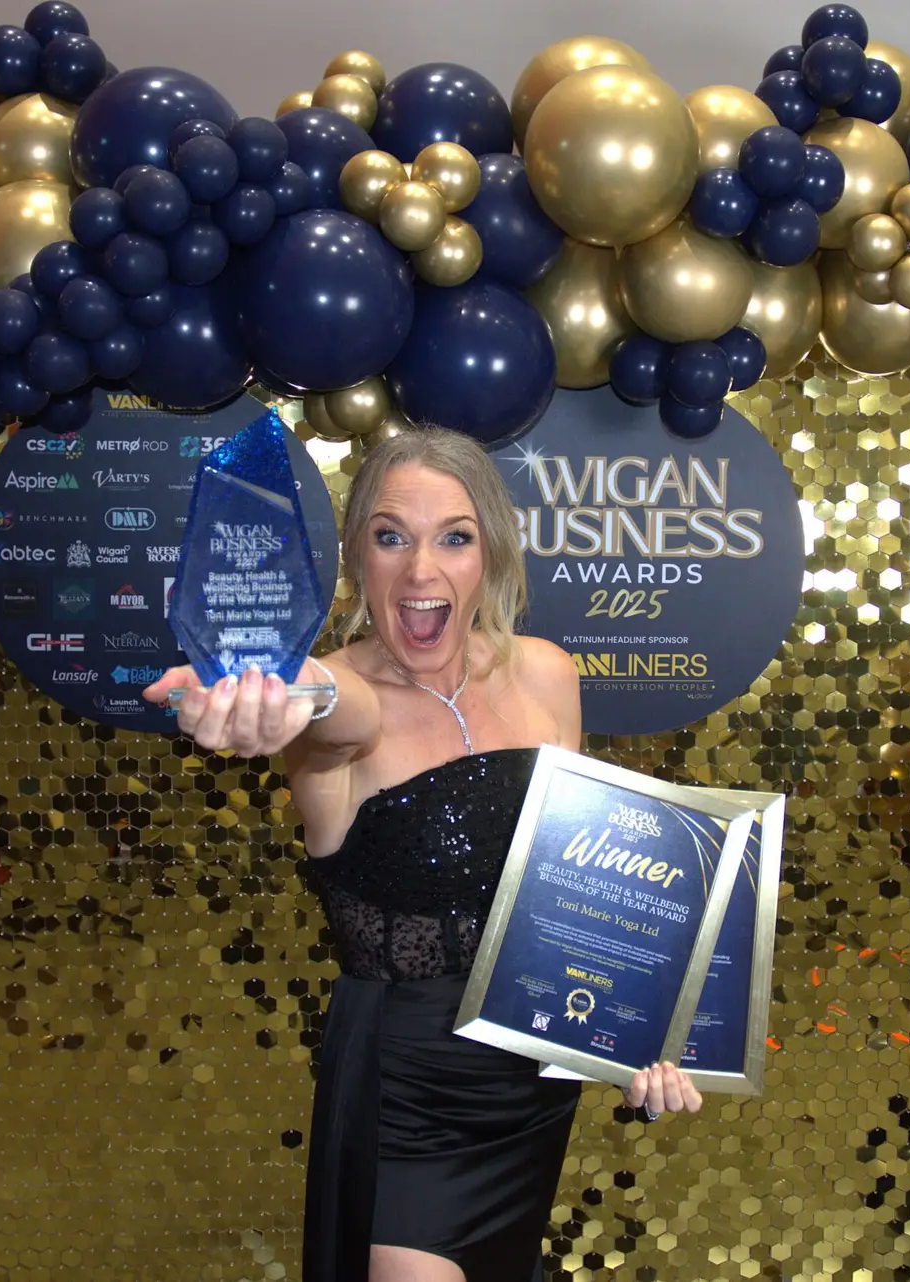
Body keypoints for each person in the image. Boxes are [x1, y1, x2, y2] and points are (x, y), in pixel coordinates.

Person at [145, 428, 703, 1282]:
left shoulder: (548, 676)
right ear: (356, 557)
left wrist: (634, 1034)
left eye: (454, 537)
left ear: (491, 554)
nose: (420, 570)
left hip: (532, 1086)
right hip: (407, 1101)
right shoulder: (338, 700)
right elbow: (343, 712)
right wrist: (285, 690)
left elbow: (579, 897)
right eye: (391, 536)